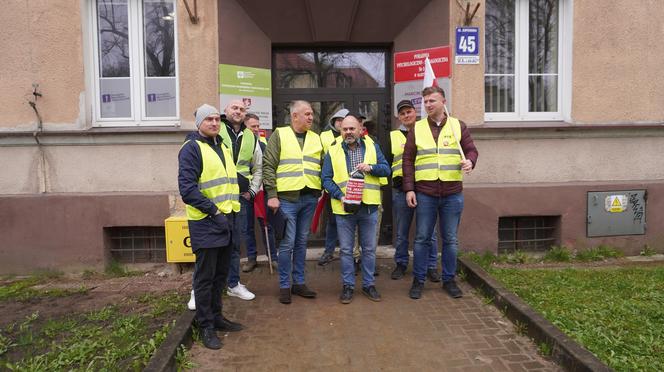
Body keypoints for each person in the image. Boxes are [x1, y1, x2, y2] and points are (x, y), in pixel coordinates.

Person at [402, 86, 478, 300]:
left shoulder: (458, 126)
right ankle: (418, 280)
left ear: (443, 101)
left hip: (452, 193)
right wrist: (409, 189)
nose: (427, 105)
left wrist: (470, 161)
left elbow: (471, 150)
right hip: (425, 193)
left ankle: (449, 280)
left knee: (451, 240)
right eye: (425, 102)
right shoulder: (417, 128)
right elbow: (408, 160)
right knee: (422, 238)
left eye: (432, 101)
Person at [178, 104, 244, 350]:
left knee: (220, 275)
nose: (215, 123)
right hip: (206, 222)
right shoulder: (191, 148)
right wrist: (214, 211)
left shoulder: (221, 146)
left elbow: (228, 180)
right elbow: (187, 189)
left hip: (227, 220)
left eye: (217, 119)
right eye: (209, 120)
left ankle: (217, 317)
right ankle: (205, 326)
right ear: (199, 123)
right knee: (205, 278)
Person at [322, 114, 390, 304]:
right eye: (345, 129)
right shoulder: (333, 150)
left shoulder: (372, 146)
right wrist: (340, 195)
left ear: (360, 130)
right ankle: (348, 286)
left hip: (368, 207)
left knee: (368, 249)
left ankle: (369, 285)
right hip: (344, 208)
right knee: (345, 250)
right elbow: (326, 178)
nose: (348, 132)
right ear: (340, 131)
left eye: (352, 129)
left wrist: (371, 167)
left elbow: (386, 170)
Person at [263, 100, 322, 304]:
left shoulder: (317, 138)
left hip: (309, 199)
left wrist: (321, 189)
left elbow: (321, 166)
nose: (311, 117)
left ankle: (298, 282)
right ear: (294, 116)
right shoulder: (279, 134)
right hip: (286, 199)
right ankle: (284, 285)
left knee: (302, 242)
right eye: (306, 113)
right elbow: (268, 165)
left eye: (312, 113)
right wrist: (271, 194)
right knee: (287, 243)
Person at [389, 100, 440, 282]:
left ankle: (431, 266)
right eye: (402, 113)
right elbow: (386, 163)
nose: (406, 116)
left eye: (409, 111)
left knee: (429, 232)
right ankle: (401, 263)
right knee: (402, 232)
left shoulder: (426, 132)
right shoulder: (393, 136)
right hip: (401, 190)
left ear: (415, 112)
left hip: (425, 189)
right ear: (398, 117)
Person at [218, 100, 262, 301]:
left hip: (241, 198)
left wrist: (252, 192)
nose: (238, 111)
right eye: (234, 108)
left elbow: (258, 167)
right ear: (226, 110)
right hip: (217, 196)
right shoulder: (216, 129)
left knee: (236, 242)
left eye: (241, 109)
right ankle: (210, 284)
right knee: (214, 242)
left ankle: (233, 284)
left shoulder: (251, 137)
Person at [241, 113, 277, 271]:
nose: (256, 129)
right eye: (252, 127)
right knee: (247, 227)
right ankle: (251, 258)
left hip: (262, 190)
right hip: (245, 192)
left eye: (257, 126)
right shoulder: (240, 143)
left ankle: (273, 257)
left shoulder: (264, 142)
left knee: (267, 225)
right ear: (245, 127)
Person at [318, 108, 349, 266]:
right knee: (331, 221)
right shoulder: (324, 136)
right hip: (331, 185)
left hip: (351, 186)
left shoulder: (354, 136)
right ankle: (329, 251)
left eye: (343, 120)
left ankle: (352, 254)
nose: (340, 123)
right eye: (338, 120)